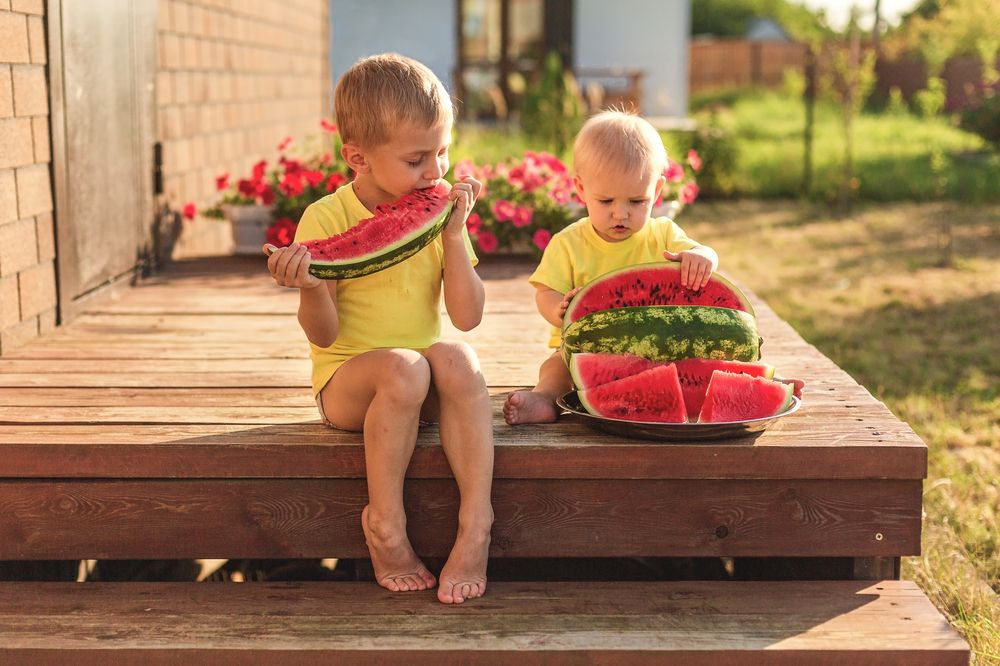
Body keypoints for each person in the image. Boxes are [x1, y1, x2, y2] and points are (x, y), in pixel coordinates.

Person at [265, 53, 493, 604]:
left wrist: (455, 238)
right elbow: (322, 336)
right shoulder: (327, 218)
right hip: (350, 388)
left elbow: (468, 316)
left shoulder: (439, 214)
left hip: (421, 384)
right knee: (404, 367)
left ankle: (477, 523)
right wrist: (312, 285)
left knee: (459, 357)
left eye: (442, 151)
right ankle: (385, 525)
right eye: (417, 159)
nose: (436, 172)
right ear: (357, 158)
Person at [503, 109, 719, 425]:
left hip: (656, 351)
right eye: (606, 202)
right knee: (555, 369)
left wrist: (704, 256)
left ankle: (748, 386)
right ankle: (545, 400)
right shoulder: (568, 243)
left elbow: (701, 252)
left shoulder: (664, 234)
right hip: (583, 351)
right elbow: (545, 291)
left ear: (657, 192)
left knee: (698, 365)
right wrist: (559, 311)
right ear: (580, 189)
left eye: (636, 201)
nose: (621, 214)